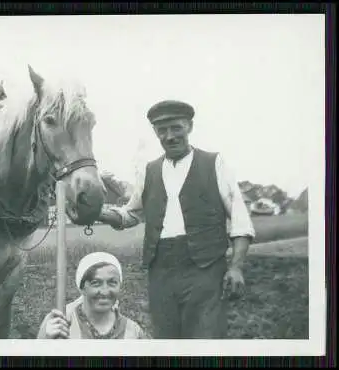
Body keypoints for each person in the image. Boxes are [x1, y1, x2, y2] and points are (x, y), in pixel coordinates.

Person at [97, 100, 256, 339]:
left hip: (205, 269)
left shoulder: (214, 163)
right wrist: (97, 213)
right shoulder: (149, 171)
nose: (169, 136)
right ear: (155, 132)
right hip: (160, 270)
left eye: (176, 128)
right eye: (162, 130)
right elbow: (131, 214)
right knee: (165, 338)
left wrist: (236, 267)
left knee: (206, 338)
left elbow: (240, 220)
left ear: (189, 127)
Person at [37, 252, 149, 339]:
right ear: (82, 288)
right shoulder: (59, 324)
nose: (105, 292)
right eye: (96, 283)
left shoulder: (133, 332)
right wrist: (46, 342)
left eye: (112, 283)